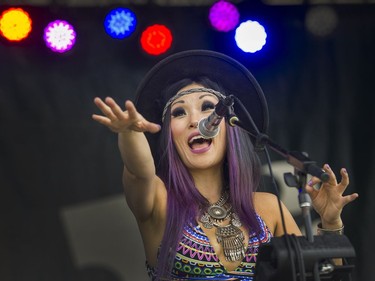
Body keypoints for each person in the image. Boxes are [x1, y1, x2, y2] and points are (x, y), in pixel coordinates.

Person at [92, 50, 358, 281]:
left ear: (231, 127)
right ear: (168, 136)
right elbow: (139, 172)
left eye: (208, 107)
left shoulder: (267, 208)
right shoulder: (159, 201)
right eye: (179, 112)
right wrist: (129, 133)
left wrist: (330, 223)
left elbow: (317, 275)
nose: (195, 121)